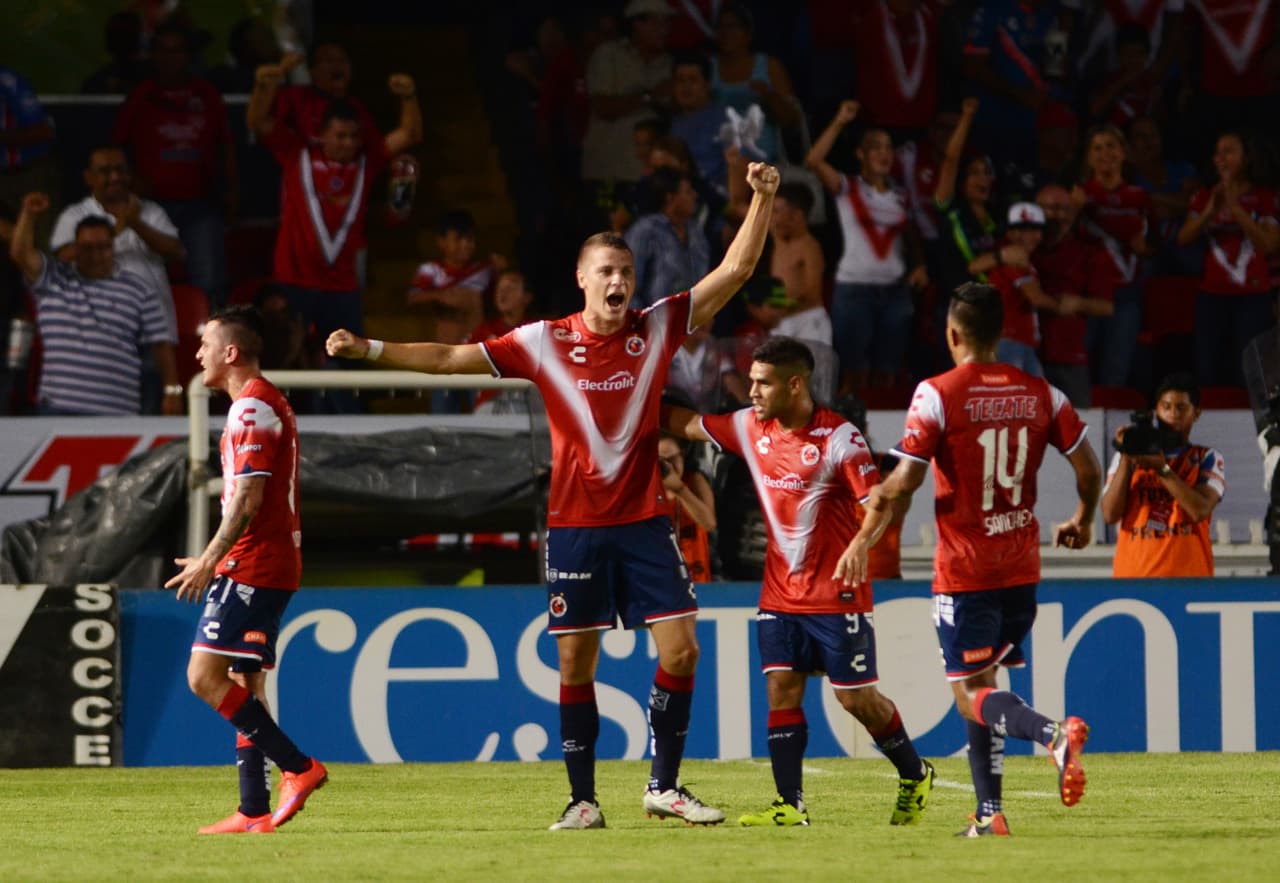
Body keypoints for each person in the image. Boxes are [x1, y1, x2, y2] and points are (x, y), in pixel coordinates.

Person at [326, 160, 781, 830]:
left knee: (682, 648)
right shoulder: (544, 341)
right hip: (575, 526)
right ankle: (582, 800)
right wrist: (370, 349)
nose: (619, 282)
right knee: (574, 662)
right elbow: (450, 359)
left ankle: (664, 786)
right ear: (582, 279)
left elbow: (735, 271)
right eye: (607, 272)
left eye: (626, 272)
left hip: (645, 521)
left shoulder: (656, 327)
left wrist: (763, 198)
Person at [845, 282, 1103, 837]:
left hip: (965, 570)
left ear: (952, 333)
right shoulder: (1043, 393)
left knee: (968, 695)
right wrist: (1084, 517)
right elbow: (1088, 465)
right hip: (1021, 567)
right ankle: (990, 815)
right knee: (983, 686)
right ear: (1001, 333)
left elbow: (905, 482)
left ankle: (1053, 735)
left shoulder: (937, 393)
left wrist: (867, 520)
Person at [664, 336, 934, 826]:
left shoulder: (839, 438)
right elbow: (688, 424)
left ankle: (915, 772)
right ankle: (790, 804)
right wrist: (630, 406)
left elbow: (879, 503)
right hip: (779, 594)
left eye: (763, 383)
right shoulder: (750, 427)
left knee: (855, 698)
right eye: (751, 381)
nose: (752, 392)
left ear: (795, 384)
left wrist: (860, 544)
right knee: (781, 690)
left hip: (836, 593)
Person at [165, 305, 327, 834]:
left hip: (254, 563)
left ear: (230, 352)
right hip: (263, 559)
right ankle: (254, 807)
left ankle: (298, 767)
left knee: (203, 676)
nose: (197, 354)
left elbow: (249, 497)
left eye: (206, 345)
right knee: (244, 680)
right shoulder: (259, 403)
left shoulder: (253, 408)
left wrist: (210, 559)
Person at [247, 54, 421, 372]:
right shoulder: (296, 154)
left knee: (350, 365)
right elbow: (257, 122)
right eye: (340, 136)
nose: (347, 143)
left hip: (342, 286)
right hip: (294, 279)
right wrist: (264, 87)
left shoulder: (366, 162)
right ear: (323, 134)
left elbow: (409, 134)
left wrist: (408, 97)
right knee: (287, 361)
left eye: (353, 137)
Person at [9, 192, 180, 416]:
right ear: (75, 250)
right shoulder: (52, 279)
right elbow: (20, 254)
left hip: (117, 410)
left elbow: (160, 344)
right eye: (87, 248)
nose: (96, 255)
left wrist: (172, 390)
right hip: (58, 408)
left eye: (103, 247)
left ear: (113, 247)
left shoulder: (139, 289)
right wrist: (28, 215)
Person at [112, 22, 237, 309]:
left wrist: (232, 190)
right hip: (150, 205)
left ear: (188, 56)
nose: (170, 58)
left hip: (200, 203)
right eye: (163, 51)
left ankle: (212, 334)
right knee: (143, 279)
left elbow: (226, 145)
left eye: (177, 51)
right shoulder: (142, 95)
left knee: (209, 282)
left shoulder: (205, 94)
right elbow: (117, 147)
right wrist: (130, 183)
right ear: (153, 55)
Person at [807, 100, 927, 392]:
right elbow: (813, 161)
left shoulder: (901, 196)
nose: (884, 153)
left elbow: (911, 237)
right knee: (852, 373)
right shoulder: (847, 187)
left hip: (895, 292)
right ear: (860, 153)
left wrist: (920, 265)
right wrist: (840, 120)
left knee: (889, 371)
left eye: (888, 148)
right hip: (854, 289)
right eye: (875, 147)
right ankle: (850, 420)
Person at [50, 145, 185, 348]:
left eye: (120, 170)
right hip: (101, 331)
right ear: (89, 177)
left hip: (153, 328)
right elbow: (64, 258)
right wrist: (120, 226)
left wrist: (136, 223)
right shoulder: (74, 215)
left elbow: (177, 252)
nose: (115, 177)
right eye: (105, 171)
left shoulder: (151, 211)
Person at [1176, 132, 1279, 389]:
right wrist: (1211, 209)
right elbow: (1183, 238)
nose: (1220, 158)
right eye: (1217, 152)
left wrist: (1235, 207)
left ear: (1246, 158)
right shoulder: (1203, 197)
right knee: (1208, 367)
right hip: (1212, 295)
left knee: (1249, 370)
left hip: (1253, 296)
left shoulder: (1265, 197)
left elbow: (1268, 244)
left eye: (1229, 151)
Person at [1101, 373, 1225, 578]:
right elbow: (1110, 514)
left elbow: (1199, 510)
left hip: (1190, 580)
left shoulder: (1206, 457)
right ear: (1156, 411)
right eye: (1166, 407)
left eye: (1181, 408)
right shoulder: (1128, 458)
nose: (1173, 414)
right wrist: (1126, 457)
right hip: (1134, 579)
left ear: (1196, 413)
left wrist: (1162, 470)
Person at [1071, 125, 1156, 388]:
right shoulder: (1079, 195)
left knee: (1116, 372)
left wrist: (1145, 249)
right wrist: (1074, 209)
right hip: (1087, 293)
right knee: (1077, 367)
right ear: (1088, 157)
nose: (1104, 153)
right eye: (1097, 148)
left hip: (1125, 295)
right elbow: (1060, 240)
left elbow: (1155, 247)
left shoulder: (1139, 197)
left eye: (1111, 146)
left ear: (1123, 153)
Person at [1033, 184, 1115, 409]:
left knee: (1077, 421)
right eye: (1052, 208)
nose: (1060, 215)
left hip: (1069, 355)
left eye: (1066, 209)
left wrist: (1079, 303)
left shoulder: (1088, 250)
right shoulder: (1023, 247)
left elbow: (1107, 307)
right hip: (1027, 353)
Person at [987, 202, 1058, 377]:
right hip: (1009, 341)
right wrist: (1064, 304)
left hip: (1020, 342)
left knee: (1034, 391)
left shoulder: (1023, 260)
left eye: (1037, 230)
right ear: (1011, 233)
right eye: (1028, 230)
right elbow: (1036, 298)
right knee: (1014, 391)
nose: (1035, 236)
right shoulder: (1012, 260)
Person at [625, 166, 710, 310]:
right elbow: (629, 288)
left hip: (695, 318)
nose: (695, 195)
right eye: (688, 192)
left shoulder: (695, 230)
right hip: (654, 319)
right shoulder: (644, 231)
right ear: (670, 198)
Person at [768, 182, 831, 346]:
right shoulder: (778, 238)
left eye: (776, 211)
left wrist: (776, 307)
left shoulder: (810, 248)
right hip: (782, 323)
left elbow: (812, 293)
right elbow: (739, 209)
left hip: (808, 322)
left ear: (796, 216)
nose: (771, 217)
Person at [658, 434, 716, 583]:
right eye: (662, 462)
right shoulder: (646, 492)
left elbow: (709, 524)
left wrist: (680, 490)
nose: (669, 466)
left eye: (673, 459)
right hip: (661, 579)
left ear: (683, 457)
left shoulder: (695, 480)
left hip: (696, 577)